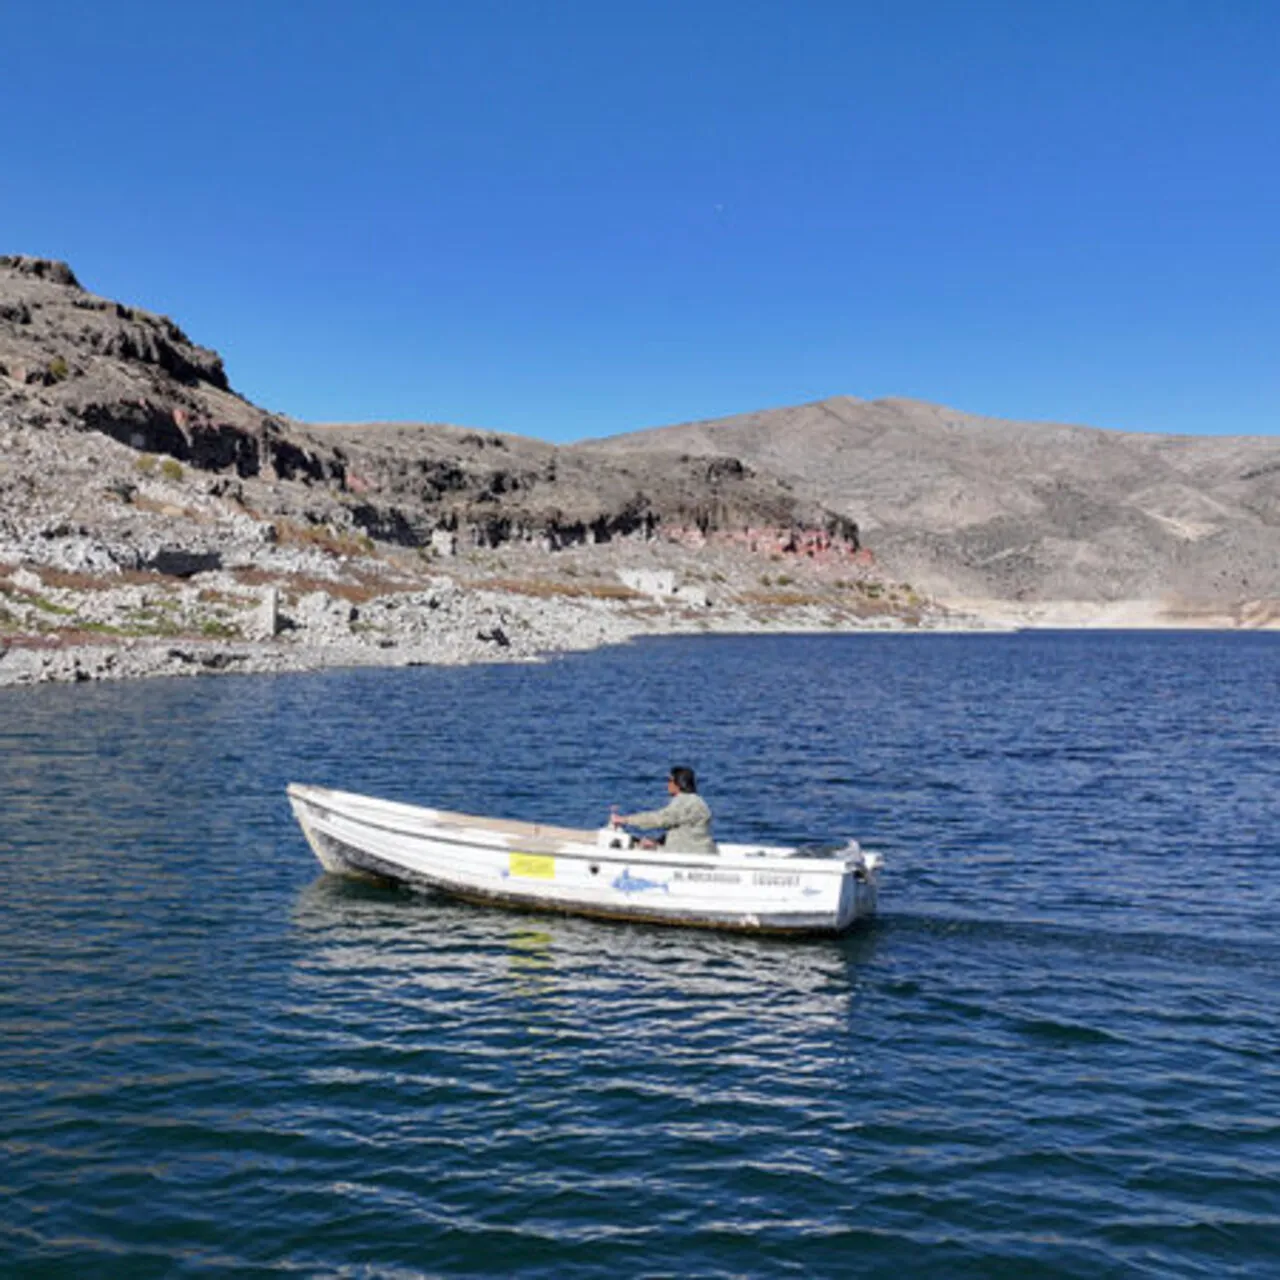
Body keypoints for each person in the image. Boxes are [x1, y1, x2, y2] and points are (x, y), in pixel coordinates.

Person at [610, 765, 717, 854]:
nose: (667, 784)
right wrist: (657, 843)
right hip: (703, 851)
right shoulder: (699, 801)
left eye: (670, 780)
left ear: (679, 783)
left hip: (688, 855)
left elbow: (659, 819)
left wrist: (625, 820)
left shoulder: (683, 801)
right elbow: (685, 830)